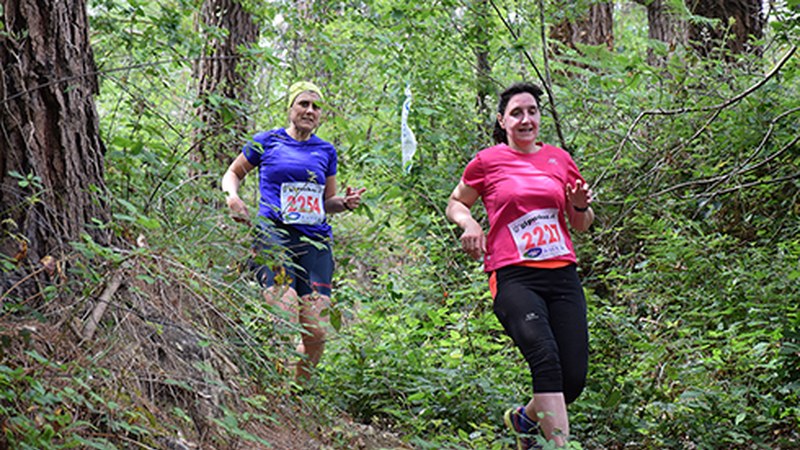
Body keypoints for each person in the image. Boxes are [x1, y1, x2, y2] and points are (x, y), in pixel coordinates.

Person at [445, 82, 594, 449]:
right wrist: (470, 223)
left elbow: (582, 223)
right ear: (502, 120)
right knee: (545, 358)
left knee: (572, 379)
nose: (526, 119)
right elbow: (456, 203)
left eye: (532, 112)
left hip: (562, 274)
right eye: (516, 113)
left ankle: (525, 420)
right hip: (514, 276)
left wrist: (577, 205)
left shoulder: (560, 159)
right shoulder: (487, 161)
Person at [222, 81, 365, 383]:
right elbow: (233, 173)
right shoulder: (267, 141)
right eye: (303, 104)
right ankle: (276, 392)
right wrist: (232, 197)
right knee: (285, 316)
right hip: (273, 234)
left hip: (315, 241)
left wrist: (346, 203)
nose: (309, 111)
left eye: (315, 107)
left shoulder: (326, 150)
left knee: (316, 331)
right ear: (290, 108)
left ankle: (296, 390)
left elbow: (327, 203)